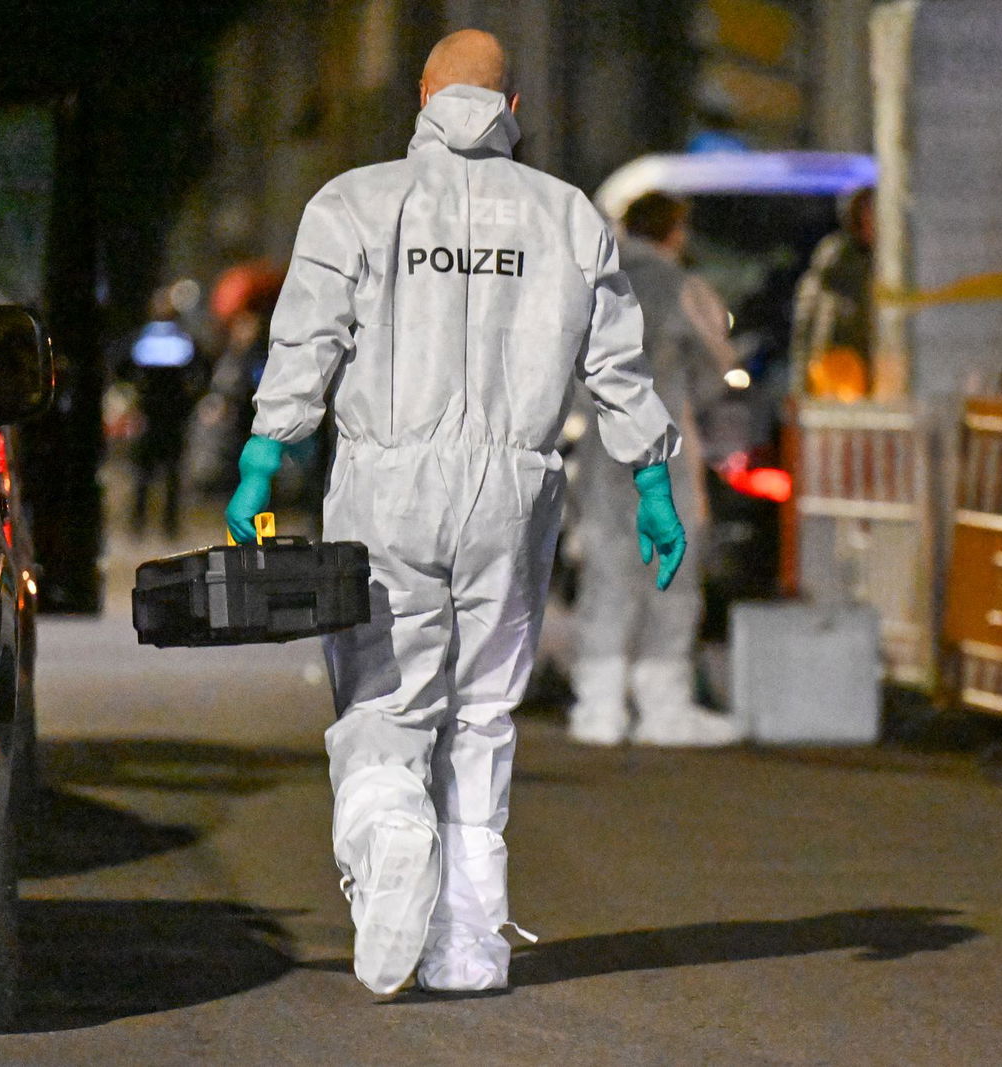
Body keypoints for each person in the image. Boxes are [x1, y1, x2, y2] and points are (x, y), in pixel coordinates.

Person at [224, 29, 685, 996]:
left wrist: (263, 464)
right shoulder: (566, 216)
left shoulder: (354, 202)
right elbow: (616, 366)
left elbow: (304, 344)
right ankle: (469, 944)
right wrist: (651, 482)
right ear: (513, 111)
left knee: (387, 696)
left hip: (385, 486)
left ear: (422, 104)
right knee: (482, 711)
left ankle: (391, 830)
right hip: (515, 492)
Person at [567, 192, 742, 747]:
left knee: (606, 578)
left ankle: (598, 708)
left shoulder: (593, 288)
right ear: (676, 233)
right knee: (671, 577)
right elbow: (720, 371)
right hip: (664, 454)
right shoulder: (683, 288)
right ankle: (663, 707)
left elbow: (566, 381)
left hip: (603, 456)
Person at [123, 288, 205, 538]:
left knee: (153, 475)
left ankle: (147, 525)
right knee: (163, 475)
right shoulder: (182, 339)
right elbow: (201, 370)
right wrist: (189, 400)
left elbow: (125, 368)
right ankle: (162, 526)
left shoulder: (144, 338)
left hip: (156, 416)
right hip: (166, 417)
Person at [788, 186, 875, 396]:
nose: (872, 219)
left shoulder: (890, 267)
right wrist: (800, 390)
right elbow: (807, 335)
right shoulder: (833, 267)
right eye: (866, 211)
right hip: (838, 386)